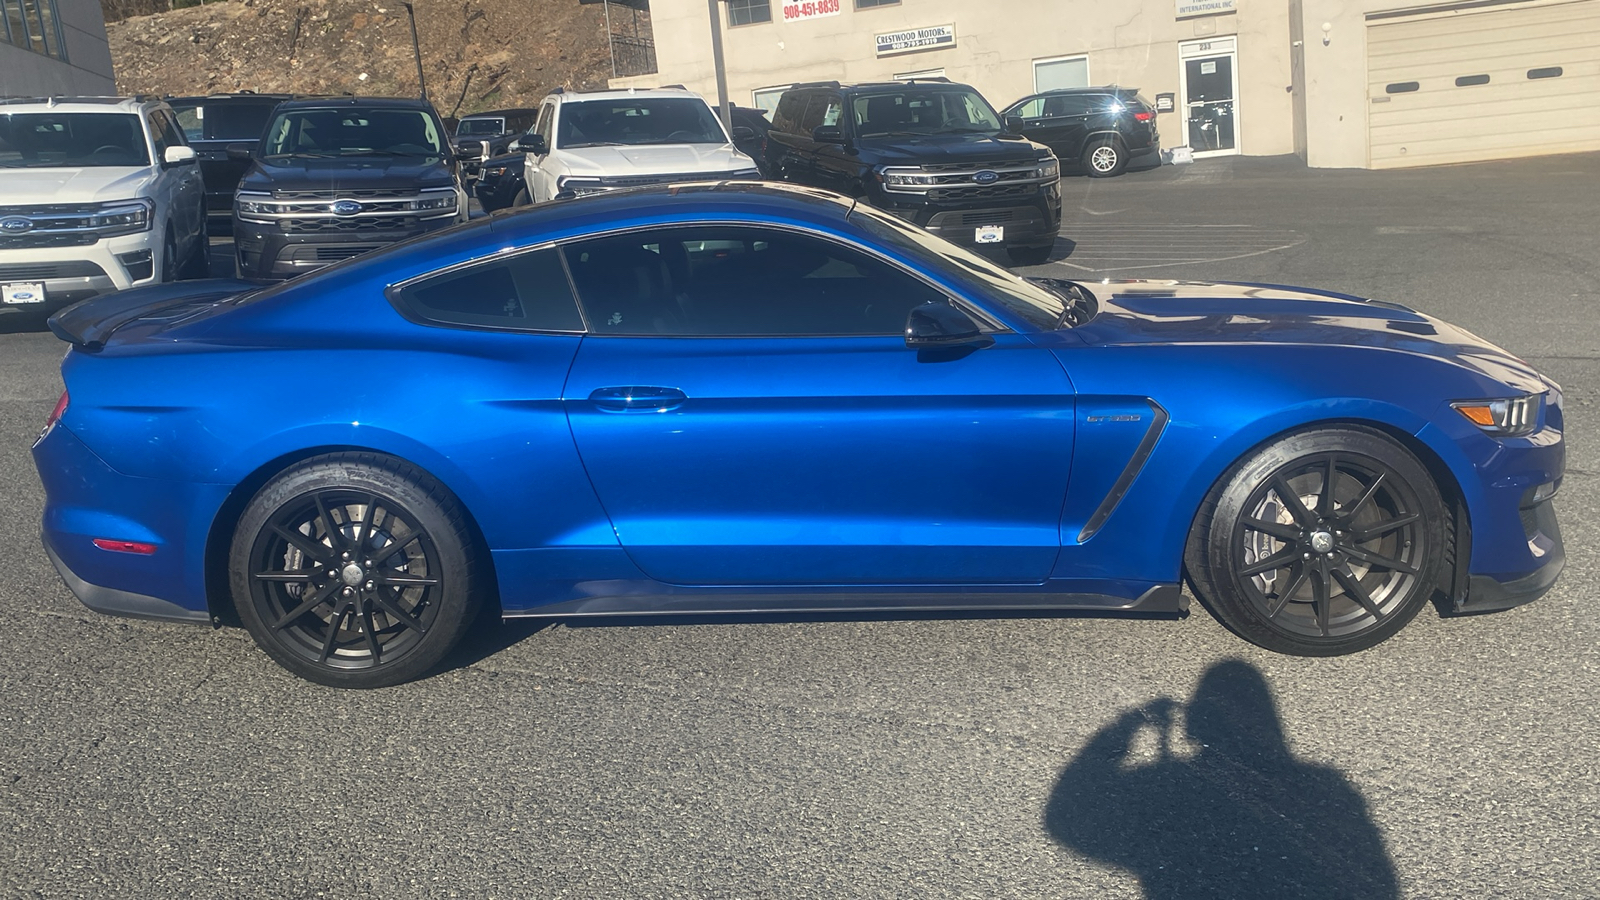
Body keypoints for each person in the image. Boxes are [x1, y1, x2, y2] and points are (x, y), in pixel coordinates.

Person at [1044, 659, 1398, 900]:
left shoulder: (1170, 780)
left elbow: (1064, 819)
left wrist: (1126, 726)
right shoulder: (1328, 787)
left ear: (1195, 722)